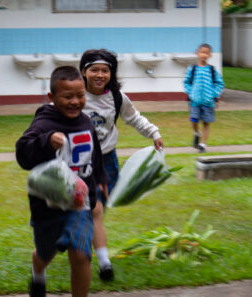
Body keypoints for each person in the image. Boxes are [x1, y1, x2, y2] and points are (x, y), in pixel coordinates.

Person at [16, 66, 108, 297]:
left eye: (80, 95)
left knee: (80, 254)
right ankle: (38, 273)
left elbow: (94, 154)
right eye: (68, 96)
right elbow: (22, 154)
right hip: (47, 206)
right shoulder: (44, 124)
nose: (75, 102)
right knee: (45, 253)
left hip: (80, 204)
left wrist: (101, 179)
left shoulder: (86, 121)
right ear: (51, 98)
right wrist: (46, 141)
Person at [79, 49, 164, 281]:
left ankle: (84, 235)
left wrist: (153, 132)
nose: (99, 74)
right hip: (80, 161)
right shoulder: (76, 95)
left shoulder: (116, 97)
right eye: (94, 70)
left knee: (101, 206)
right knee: (90, 208)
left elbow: (134, 117)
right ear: (84, 72)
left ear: (111, 73)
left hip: (107, 160)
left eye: (105, 70)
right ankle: (99, 258)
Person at [184, 43, 224, 153]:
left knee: (206, 123)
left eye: (206, 53)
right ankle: (196, 133)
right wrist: (191, 93)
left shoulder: (212, 70)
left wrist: (214, 94)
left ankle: (202, 145)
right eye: (202, 52)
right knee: (193, 120)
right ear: (197, 53)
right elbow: (187, 82)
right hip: (195, 101)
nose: (204, 55)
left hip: (208, 102)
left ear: (210, 55)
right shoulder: (192, 69)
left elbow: (219, 84)